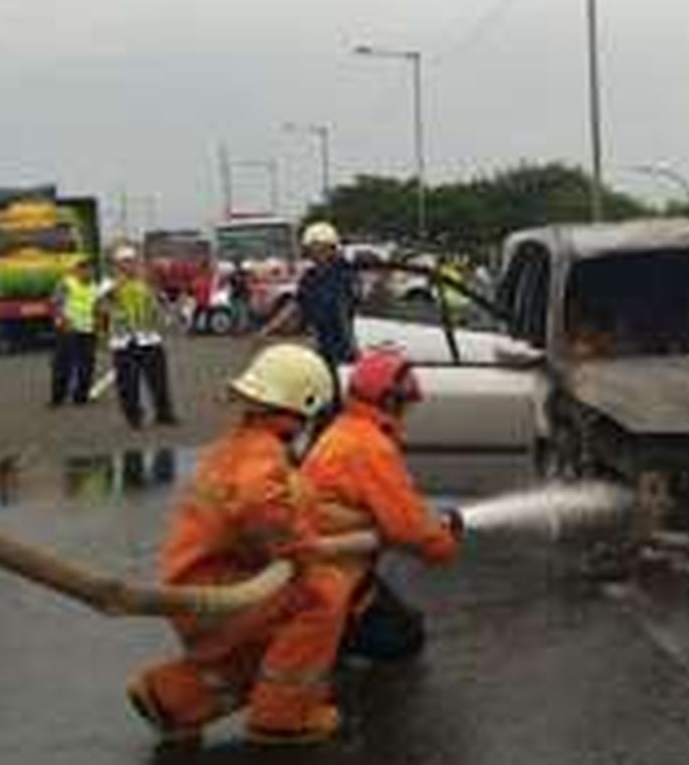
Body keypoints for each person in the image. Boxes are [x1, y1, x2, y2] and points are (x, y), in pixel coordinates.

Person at [127, 343, 345, 745]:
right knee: (323, 594)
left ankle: (171, 699)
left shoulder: (237, 446)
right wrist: (300, 551)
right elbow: (258, 502)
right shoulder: (263, 455)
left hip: (196, 592)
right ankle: (283, 718)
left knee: (274, 647)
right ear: (304, 407)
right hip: (220, 597)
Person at [301, 347, 460, 663]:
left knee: (399, 616)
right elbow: (411, 530)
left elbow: (394, 510)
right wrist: (446, 538)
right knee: (406, 635)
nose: (407, 414)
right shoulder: (371, 448)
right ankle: (331, 642)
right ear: (389, 401)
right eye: (405, 404)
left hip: (318, 565)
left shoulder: (345, 430)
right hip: (327, 577)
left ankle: (332, 637)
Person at [261, 222, 359, 377]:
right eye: (311, 248)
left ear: (330, 247)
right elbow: (296, 303)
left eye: (318, 247)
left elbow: (348, 310)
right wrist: (270, 327)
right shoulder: (310, 277)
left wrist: (353, 345)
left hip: (346, 341)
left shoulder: (345, 274)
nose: (314, 252)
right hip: (322, 339)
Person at [99, 244, 179, 428]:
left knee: (159, 380)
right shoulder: (109, 283)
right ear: (117, 265)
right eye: (126, 262)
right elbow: (103, 305)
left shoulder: (145, 283)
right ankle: (134, 417)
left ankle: (164, 414)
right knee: (128, 384)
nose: (131, 265)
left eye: (133, 261)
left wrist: (165, 315)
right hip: (124, 340)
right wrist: (121, 281)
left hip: (149, 337)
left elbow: (159, 302)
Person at [48, 257, 99, 407]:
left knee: (87, 365)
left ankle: (81, 396)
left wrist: (99, 326)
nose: (87, 272)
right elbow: (55, 303)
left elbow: (98, 308)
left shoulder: (95, 288)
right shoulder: (66, 284)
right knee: (63, 365)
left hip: (88, 330)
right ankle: (57, 398)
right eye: (83, 269)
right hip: (68, 329)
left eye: (90, 269)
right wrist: (62, 320)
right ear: (77, 270)